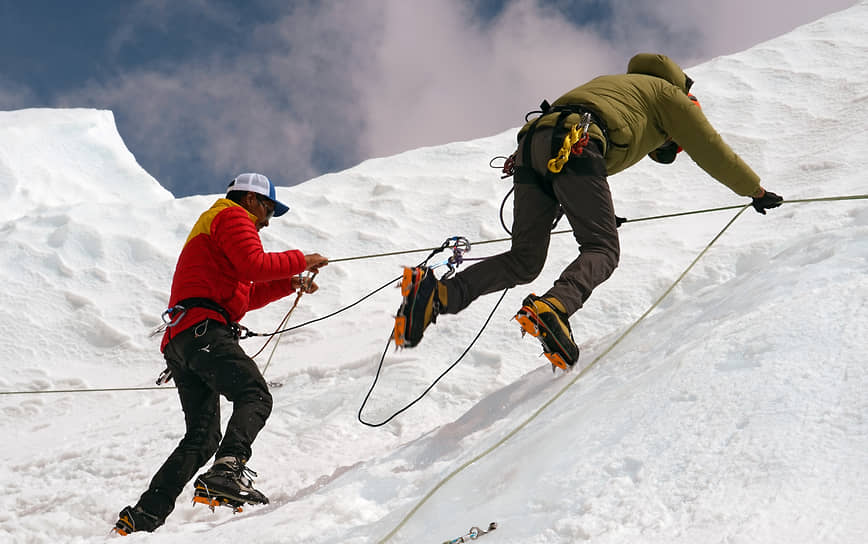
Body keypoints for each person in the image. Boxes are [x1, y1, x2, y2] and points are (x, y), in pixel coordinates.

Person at [394, 53, 782, 369]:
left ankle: (439, 292)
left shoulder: (617, 85)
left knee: (525, 259)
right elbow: (711, 147)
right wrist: (755, 190)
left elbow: (585, 162)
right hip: (575, 142)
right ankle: (555, 307)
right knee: (603, 249)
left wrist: (591, 208)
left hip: (534, 146)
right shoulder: (670, 95)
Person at [114, 173, 328, 535]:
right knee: (254, 395)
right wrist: (300, 260)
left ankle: (144, 516)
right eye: (268, 208)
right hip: (203, 330)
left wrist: (288, 283)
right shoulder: (231, 217)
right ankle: (226, 470)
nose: (267, 220)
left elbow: (243, 294)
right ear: (250, 199)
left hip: (184, 338)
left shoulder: (217, 228)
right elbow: (254, 266)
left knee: (202, 437)